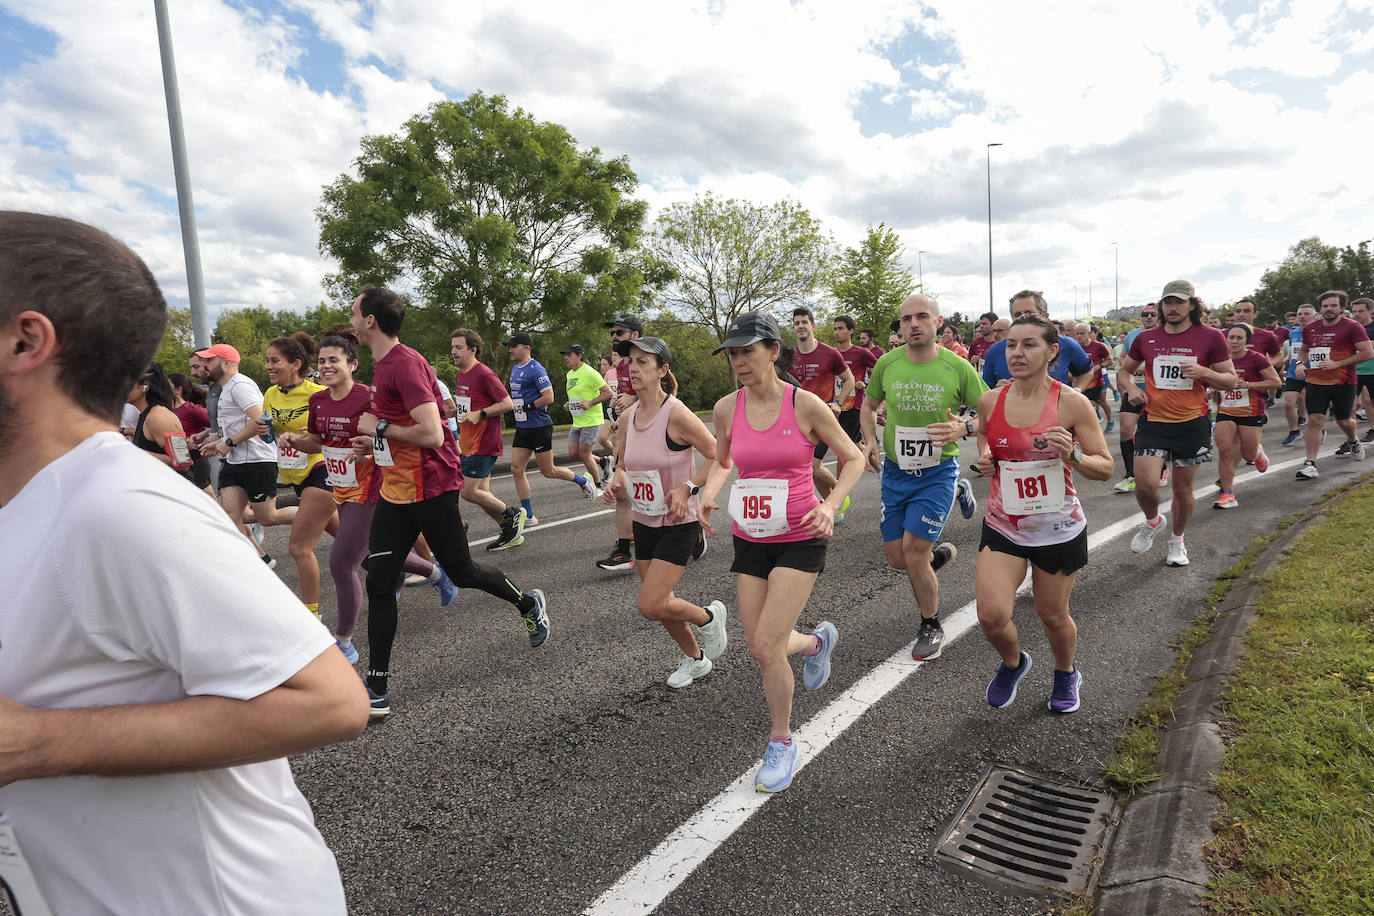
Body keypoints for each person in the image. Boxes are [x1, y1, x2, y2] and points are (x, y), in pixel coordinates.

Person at [0, 210, 367, 913]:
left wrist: (38, 744)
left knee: (272, 530)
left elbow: (328, 701)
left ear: (26, 341)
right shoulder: (39, 505)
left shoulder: (123, 508)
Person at [348, 286, 549, 716]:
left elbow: (432, 434)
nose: (350, 319)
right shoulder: (383, 364)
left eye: (354, 312)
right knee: (379, 581)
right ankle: (377, 687)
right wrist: (375, 444)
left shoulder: (403, 364)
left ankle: (526, 601)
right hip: (395, 490)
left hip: (431, 487)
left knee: (463, 571)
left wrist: (379, 428)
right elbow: (405, 429)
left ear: (370, 320)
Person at [699, 310, 864, 793]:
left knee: (768, 646)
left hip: (800, 536)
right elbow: (723, 458)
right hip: (751, 535)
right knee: (759, 646)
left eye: (748, 350)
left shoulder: (806, 404)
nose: (739, 361)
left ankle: (781, 742)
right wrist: (708, 491)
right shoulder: (726, 408)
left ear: (773, 351)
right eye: (733, 353)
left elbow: (852, 458)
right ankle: (815, 643)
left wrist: (831, 505)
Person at [973, 314, 1113, 713]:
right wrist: (986, 458)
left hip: (1058, 528)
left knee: (1052, 616)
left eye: (1029, 344)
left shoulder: (1071, 402)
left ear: (1053, 351)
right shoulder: (991, 400)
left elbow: (1104, 467)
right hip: (1004, 524)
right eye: (1011, 344)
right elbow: (985, 436)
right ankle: (1014, 663)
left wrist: (1073, 455)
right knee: (991, 616)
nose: (1016, 352)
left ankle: (1066, 672)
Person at [861, 293, 989, 661]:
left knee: (914, 552)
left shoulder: (958, 367)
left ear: (938, 322)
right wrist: (869, 441)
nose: (913, 324)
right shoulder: (887, 363)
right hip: (896, 473)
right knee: (898, 558)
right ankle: (932, 560)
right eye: (906, 319)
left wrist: (962, 428)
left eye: (921, 317)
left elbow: (990, 413)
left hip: (936, 472)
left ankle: (931, 624)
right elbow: (868, 406)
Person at [601, 336, 728, 688]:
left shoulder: (677, 414)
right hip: (644, 520)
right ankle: (696, 659)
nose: (633, 368)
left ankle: (708, 617)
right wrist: (616, 482)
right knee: (662, 603)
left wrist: (688, 488)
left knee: (650, 604)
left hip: (678, 521)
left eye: (644, 362)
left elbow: (718, 456)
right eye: (631, 362)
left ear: (663, 370)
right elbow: (623, 464)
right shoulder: (627, 417)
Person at [1117, 280, 1237, 567]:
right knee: (1144, 485)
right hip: (1153, 422)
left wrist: (1204, 371)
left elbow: (1231, 379)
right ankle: (1153, 520)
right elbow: (1124, 372)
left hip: (1191, 423)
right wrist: (1131, 389)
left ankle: (1177, 540)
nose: (1172, 308)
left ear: (1192, 305)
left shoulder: (1210, 337)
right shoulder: (1146, 338)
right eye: (1167, 302)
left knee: (1182, 491)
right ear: (1161, 306)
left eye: (1179, 302)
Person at [260, 332, 340, 618]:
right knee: (353, 545)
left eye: (275, 361)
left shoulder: (316, 393)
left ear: (295, 363)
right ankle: (428, 569)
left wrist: (304, 438)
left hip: (321, 468)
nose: (268, 366)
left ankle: (311, 614)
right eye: (267, 361)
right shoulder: (270, 394)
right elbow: (271, 435)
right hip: (294, 475)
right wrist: (267, 432)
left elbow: (330, 434)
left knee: (298, 547)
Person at [197, 343, 284, 568]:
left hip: (257, 460)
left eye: (209, 361)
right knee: (227, 514)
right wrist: (215, 440)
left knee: (267, 517)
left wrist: (229, 442)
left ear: (226, 363)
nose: (205, 366)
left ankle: (316, 515)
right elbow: (233, 425)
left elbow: (261, 421)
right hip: (235, 461)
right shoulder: (224, 388)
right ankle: (257, 562)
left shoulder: (240, 386)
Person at [505, 331, 601, 526]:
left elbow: (549, 397)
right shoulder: (515, 369)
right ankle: (529, 515)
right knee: (516, 469)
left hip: (539, 426)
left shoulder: (536, 369)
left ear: (526, 348)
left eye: (514, 346)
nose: (510, 350)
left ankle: (583, 481)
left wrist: (528, 406)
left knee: (548, 471)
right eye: (510, 346)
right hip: (523, 426)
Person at [450, 328, 526, 550]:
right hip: (468, 443)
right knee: (482, 493)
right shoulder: (461, 374)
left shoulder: (484, 373)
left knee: (468, 491)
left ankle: (512, 514)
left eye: (459, 347)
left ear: (473, 349)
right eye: (453, 347)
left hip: (484, 442)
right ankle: (509, 531)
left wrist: (481, 413)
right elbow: (468, 407)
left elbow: (507, 403)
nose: (453, 351)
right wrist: (453, 413)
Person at [1295, 289, 1373, 478]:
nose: (1328, 309)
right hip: (1315, 381)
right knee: (1315, 420)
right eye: (1325, 306)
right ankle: (1310, 464)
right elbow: (1305, 350)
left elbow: (1367, 353)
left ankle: (1353, 440)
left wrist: (1337, 363)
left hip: (1343, 381)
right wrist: (1299, 363)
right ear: (1320, 308)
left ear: (1341, 308)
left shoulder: (1352, 327)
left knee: (1343, 421)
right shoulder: (1311, 328)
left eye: (1333, 306)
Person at [790, 308, 856, 518]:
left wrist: (838, 402)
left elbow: (850, 380)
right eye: (797, 323)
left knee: (812, 466)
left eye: (804, 322)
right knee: (808, 468)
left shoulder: (829, 353)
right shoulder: (788, 356)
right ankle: (832, 506)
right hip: (796, 419)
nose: (800, 326)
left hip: (823, 418)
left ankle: (838, 492)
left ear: (813, 326)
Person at [1213, 324, 1279, 508]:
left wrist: (1248, 385)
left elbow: (1276, 382)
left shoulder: (1256, 358)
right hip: (1226, 410)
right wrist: (1215, 390)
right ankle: (1228, 494)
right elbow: (1213, 381)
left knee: (1248, 455)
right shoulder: (1219, 361)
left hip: (1251, 411)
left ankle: (1258, 453)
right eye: (1231, 337)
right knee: (1225, 450)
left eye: (1239, 338)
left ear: (1247, 341)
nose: (1234, 341)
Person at [598, 315, 646, 570]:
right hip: (629, 434)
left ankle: (691, 529)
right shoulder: (620, 368)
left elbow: (667, 392)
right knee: (622, 491)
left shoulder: (647, 359)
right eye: (613, 333)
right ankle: (623, 551)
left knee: (661, 493)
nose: (614, 337)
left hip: (654, 436)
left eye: (620, 333)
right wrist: (622, 418)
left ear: (635, 335)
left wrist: (634, 398)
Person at [981, 291, 1095, 390]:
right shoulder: (995, 351)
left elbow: (1086, 371)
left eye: (1029, 313)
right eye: (1017, 314)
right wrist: (997, 391)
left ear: (1044, 315)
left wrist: (1077, 391)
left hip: (1058, 413)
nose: (1022, 318)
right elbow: (986, 389)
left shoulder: (1067, 344)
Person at [825, 313, 876, 520]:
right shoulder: (832, 353)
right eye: (835, 328)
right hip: (835, 407)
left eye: (840, 328)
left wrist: (867, 384)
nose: (837, 332)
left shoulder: (861, 353)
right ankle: (880, 466)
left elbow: (879, 370)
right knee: (855, 445)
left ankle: (839, 495)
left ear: (851, 331)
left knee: (841, 449)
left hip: (854, 406)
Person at [1113, 304, 1159, 492]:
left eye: (1152, 314)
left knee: (1152, 433)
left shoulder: (1166, 335)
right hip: (1134, 390)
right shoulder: (1133, 335)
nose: (1148, 317)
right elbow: (1123, 357)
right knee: (1125, 430)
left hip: (1158, 394)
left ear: (1159, 316)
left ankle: (1161, 468)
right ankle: (1131, 474)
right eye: (1145, 314)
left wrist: (1141, 368)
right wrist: (1130, 372)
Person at [125, 361, 192, 480]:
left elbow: (183, 463)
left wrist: (134, 452)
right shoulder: (147, 414)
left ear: (145, 385)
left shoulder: (159, 416)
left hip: (172, 491)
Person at [561, 343, 614, 485]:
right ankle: (603, 461)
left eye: (569, 355)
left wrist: (590, 403)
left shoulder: (590, 373)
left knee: (584, 455)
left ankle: (597, 485)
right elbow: (578, 395)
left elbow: (608, 392)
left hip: (591, 420)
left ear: (579, 356)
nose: (566, 357)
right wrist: (569, 404)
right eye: (565, 355)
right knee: (574, 454)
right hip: (577, 421)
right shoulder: (570, 374)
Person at [168, 370, 214, 493]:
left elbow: (218, 425)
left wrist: (200, 440)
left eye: (167, 386)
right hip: (177, 460)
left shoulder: (192, 409)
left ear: (178, 390)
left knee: (205, 500)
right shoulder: (164, 410)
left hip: (196, 459)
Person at [1280, 304, 1316, 444]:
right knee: (1289, 403)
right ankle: (1294, 431)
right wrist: (1286, 361)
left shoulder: (1318, 332)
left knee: (1313, 405)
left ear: (1313, 316)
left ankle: (1319, 429)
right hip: (1294, 372)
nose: (1302, 316)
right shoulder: (1293, 333)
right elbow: (1293, 350)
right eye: (1300, 313)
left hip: (1313, 372)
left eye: (1306, 313)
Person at [1074, 322, 1115, 432]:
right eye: (1077, 333)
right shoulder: (1073, 347)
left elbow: (1110, 360)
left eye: (1082, 333)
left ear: (1089, 333)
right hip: (1079, 384)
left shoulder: (1099, 346)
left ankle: (1109, 421)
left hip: (1096, 383)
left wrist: (1099, 366)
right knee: (1081, 408)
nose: (1079, 336)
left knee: (1096, 404)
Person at [1351, 297, 1374, 442]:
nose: (1356, 314)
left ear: (1371, 311)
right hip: (1353, 372)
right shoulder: (1350, 328)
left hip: (1372, 371)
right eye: (1354, 311)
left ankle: (1373, 429)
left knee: (1370, 402)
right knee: (1349, 407)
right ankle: (1351, 439)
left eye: (1360, 311)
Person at [597, 354, 619, 462]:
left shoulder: (626, 372)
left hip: (622, 409)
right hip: (609, 410)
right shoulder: (609, 374)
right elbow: (602, 392)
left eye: (604, 364)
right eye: (601, 364)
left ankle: (619, 466)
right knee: (602, 438)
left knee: (617, 440)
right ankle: (617, 458)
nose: (602, 367)